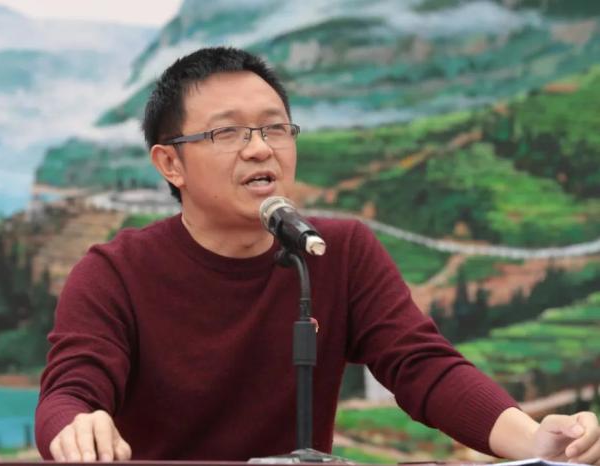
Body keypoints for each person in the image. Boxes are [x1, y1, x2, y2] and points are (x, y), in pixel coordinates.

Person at [35, 47, 600, 463]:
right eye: (227, 134)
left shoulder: (336, 251)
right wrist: (76, 426)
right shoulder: (115, 272)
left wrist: (536, 441)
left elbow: (423, 367)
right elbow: (69, 393)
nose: (260, 149)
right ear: (170, 164)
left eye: (275, 128)